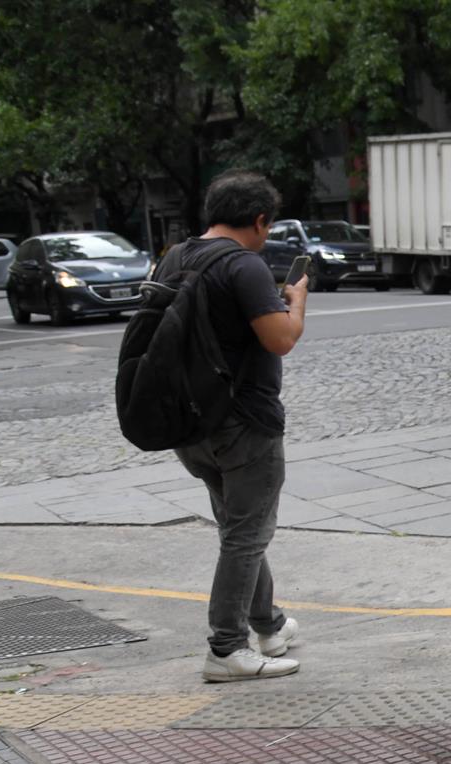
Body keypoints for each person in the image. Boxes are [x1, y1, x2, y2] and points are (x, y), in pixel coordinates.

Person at [159, 170, 308, 682]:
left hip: (190, 422)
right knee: (246, 536)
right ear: (260, 220)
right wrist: (296, 300)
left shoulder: (175, 257)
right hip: (244, 424)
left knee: (239, 529)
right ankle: (226, 649)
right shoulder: (244, 265)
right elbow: (280, 339)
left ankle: (269, 624)